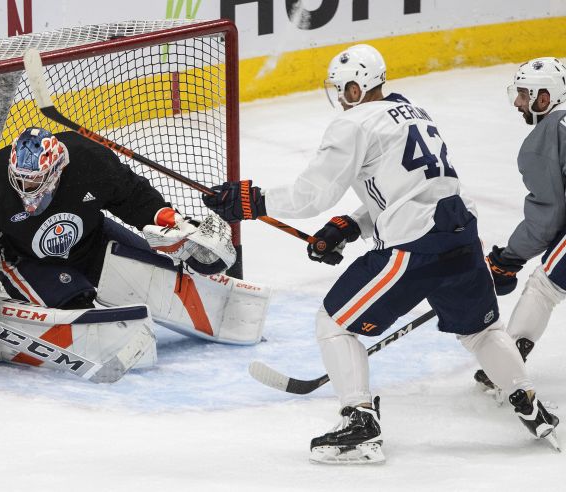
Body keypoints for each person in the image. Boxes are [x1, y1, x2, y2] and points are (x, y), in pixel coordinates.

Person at [203, 44, 559, 463]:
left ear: (356, 88)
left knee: (333, 323)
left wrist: (253, 201)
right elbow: (410, 187)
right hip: (463, 240)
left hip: (415, 249)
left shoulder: (352, 124)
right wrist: (352, 225)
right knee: (480, 332)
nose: (340, 96)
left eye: (343, 88)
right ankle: (529, 405)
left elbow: (311, 194)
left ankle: (360, 423)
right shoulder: (412, 112)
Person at [0, 127, 269, 378]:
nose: (27, 191)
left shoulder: (88, 159)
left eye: (35, 181)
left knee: (157, 270)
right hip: (25, 258)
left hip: (93, 240)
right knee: (76, 306)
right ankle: (64, 308)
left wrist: (171, 223)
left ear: (57, 170)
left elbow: (132, 195)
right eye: (21, 182)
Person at [474, 58, 566, 392]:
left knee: (545, 286)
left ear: (545, 98)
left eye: (525, 95)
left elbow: (548, 216)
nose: (517, 102)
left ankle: (507, 359)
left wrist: (508, 259)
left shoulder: (547, 134)